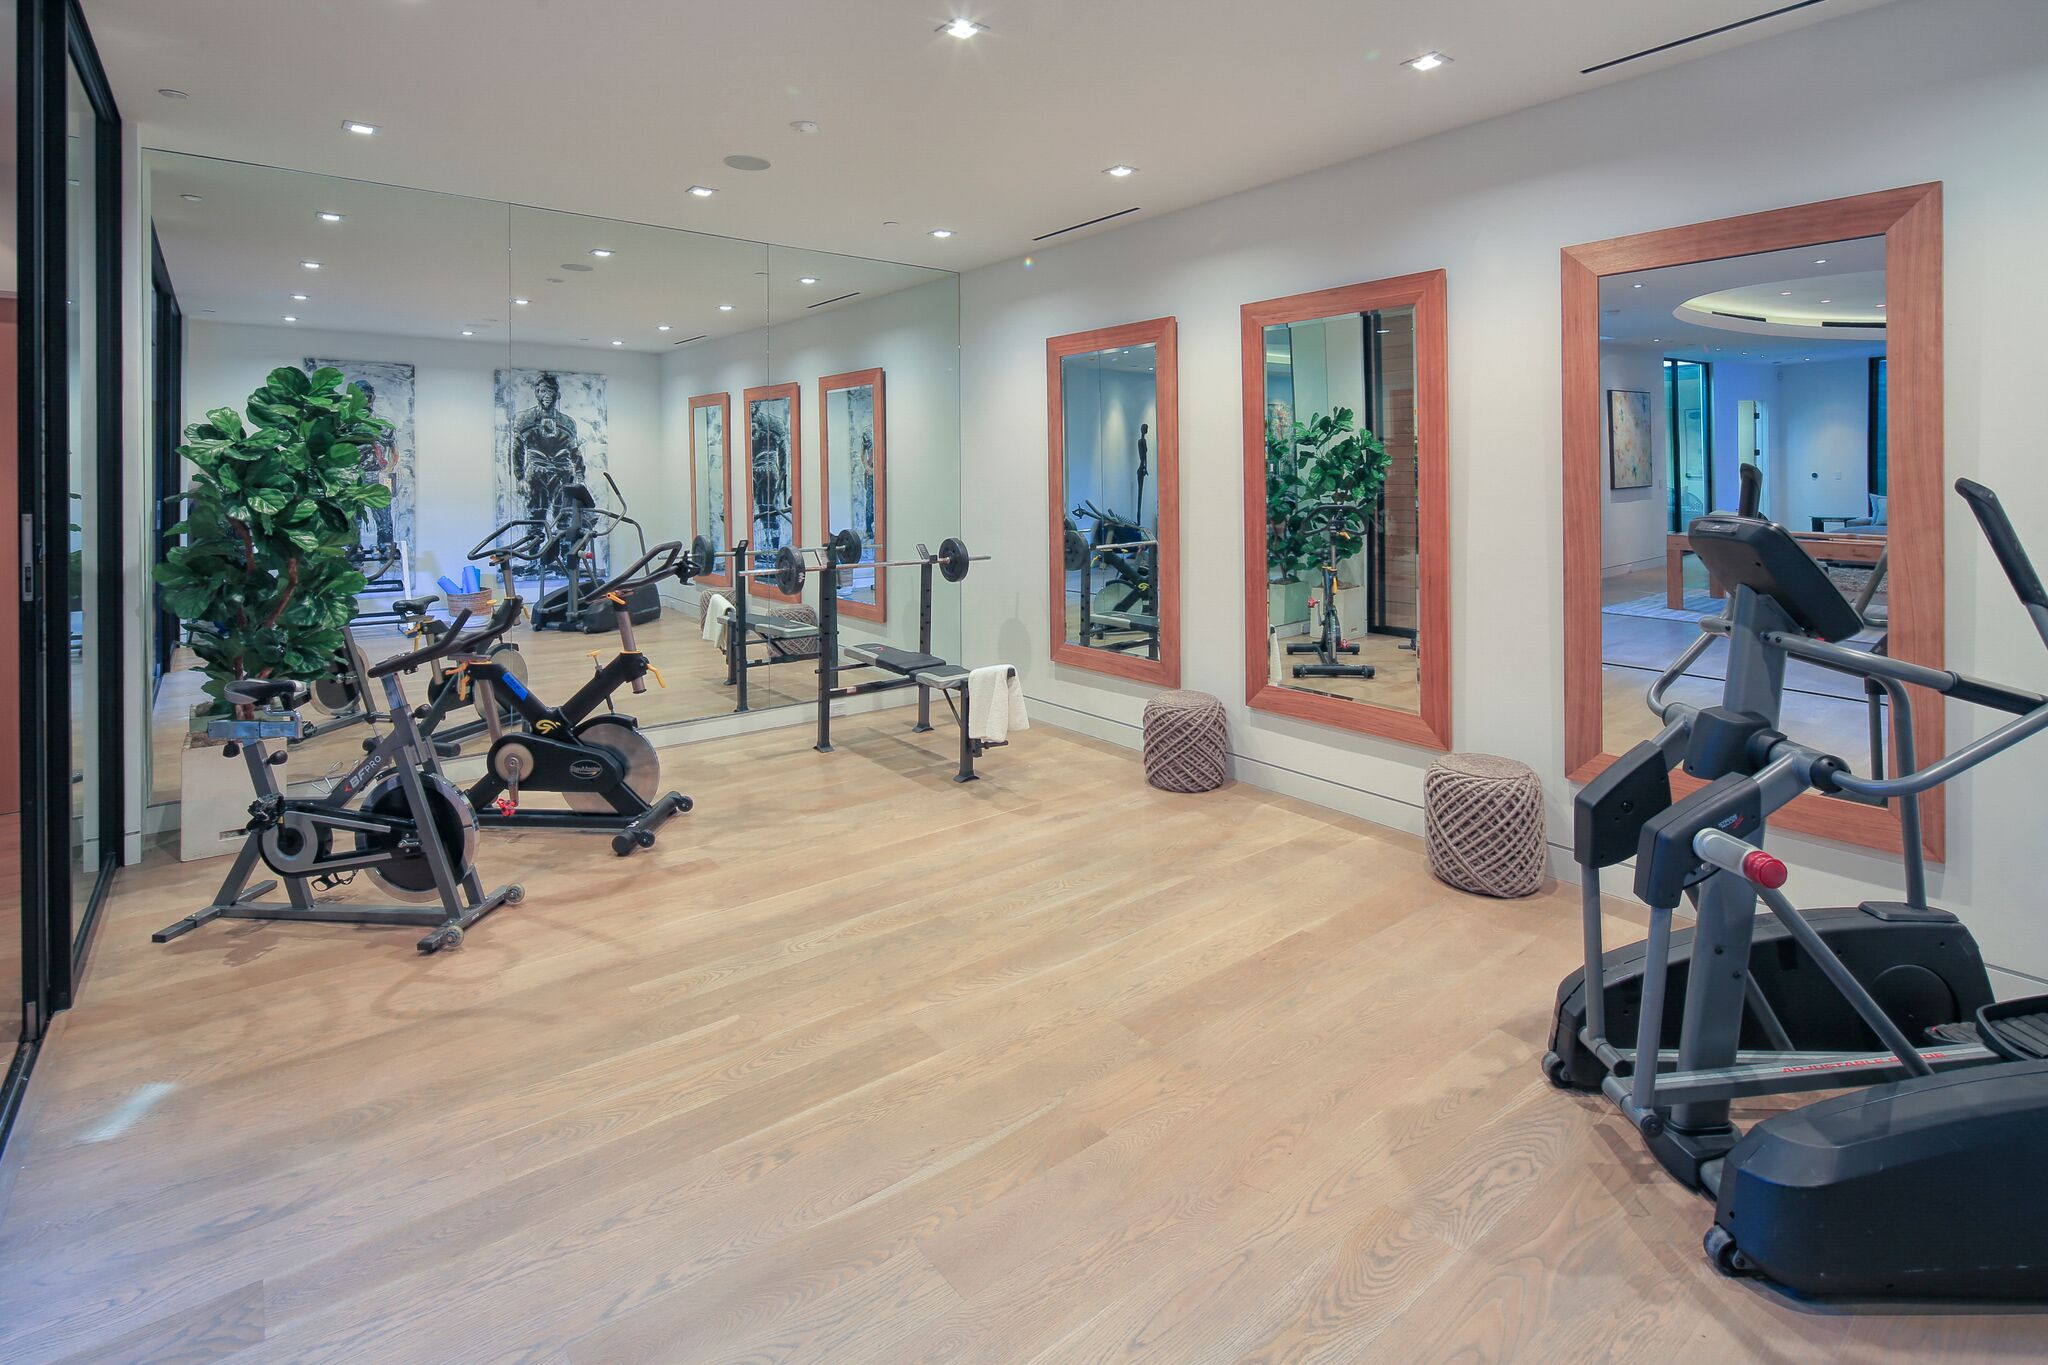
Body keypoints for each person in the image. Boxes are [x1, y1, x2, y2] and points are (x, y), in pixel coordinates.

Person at [507, 373, 586, 571]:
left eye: (550, 391)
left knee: (564, 519)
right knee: (536, 518)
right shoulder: (524, 419)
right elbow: (517, 450)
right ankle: (533, 561)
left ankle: (564, 561)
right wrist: (520, 478)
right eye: (542, 391)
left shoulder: (567, 423)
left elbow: (575, 452)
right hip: (537, 473)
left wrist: (579, 477)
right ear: (536, 393)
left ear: (557, 394)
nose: (547, 395)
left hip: (562, 474)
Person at [353, 379, 398, 556]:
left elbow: (394, 452)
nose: (366, 400)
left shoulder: (383, 425)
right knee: (353, 516)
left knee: (384, 516)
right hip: (354, 476)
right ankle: (354, 548)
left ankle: (385, 546)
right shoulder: (346, 425)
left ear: (373, 398)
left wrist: (387, 471)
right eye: (361, 396)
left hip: (378, 475)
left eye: (368, 396)